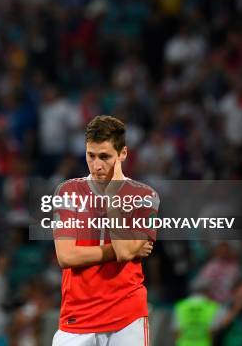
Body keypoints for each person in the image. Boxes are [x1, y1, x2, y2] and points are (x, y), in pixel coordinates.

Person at [52, 115, 159, 345]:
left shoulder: (145, 197)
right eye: (91, 155)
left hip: (127, 317)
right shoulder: (68, 192)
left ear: (123, 154)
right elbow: (66, 256)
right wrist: (120, 250)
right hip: (77, 317)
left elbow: (124, 251)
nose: (96, 165)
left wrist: (112, 194)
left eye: (105, 156)